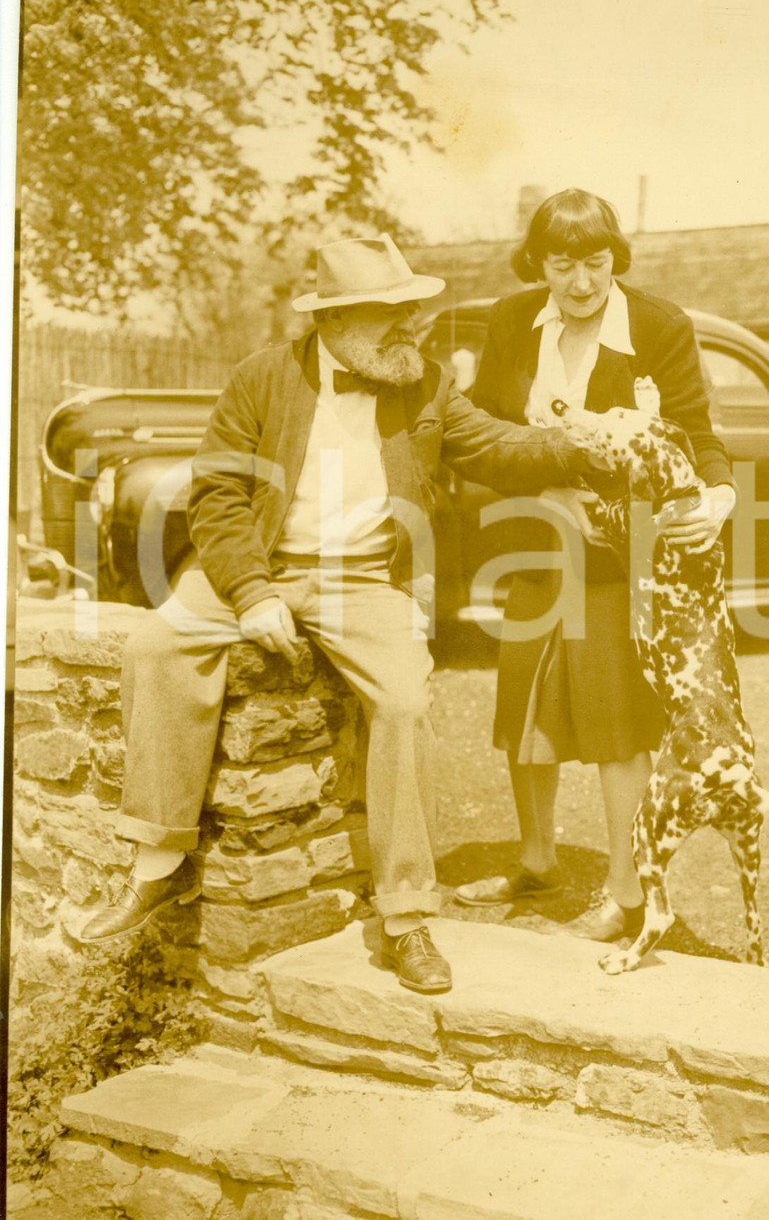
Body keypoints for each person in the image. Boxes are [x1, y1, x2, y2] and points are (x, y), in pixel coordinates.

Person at [77, 233, 596, 994]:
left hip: (364, 580)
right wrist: (252, 594)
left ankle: (408, 916)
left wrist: (587, 447)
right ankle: (155, 863)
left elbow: (495, 448)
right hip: (253, 566)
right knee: (155, 648)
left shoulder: (424, 385)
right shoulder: (260, 379)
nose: (412, 328)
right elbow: (217, 496)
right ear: (336, 323)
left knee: (405, 702)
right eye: (392, 316)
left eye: (413, 311)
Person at [455, 189, 736, 941]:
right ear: (537, 263)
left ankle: (628, 891)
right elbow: (479, 430)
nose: (581, 283)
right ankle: (538, 859)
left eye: (596, 262)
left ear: (615, 257)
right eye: (562, 263)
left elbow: (695, 430)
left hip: (620, 554)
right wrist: (540, 485)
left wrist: (718, 495)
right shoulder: (513, 322)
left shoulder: (657, 325)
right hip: (534, 540)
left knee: (616, 721)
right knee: (525, 705)